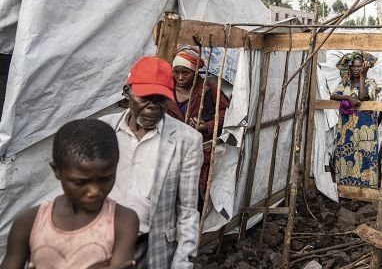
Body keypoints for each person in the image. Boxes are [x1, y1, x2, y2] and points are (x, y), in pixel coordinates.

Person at [101, 56, 203, 269]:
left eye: (161, 100)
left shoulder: (187, 140)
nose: (152, 108)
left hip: (148, 248)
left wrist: (183, 262)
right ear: (127, 91)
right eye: (145, 98)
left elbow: (187, 210)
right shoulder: (103, 130)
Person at [0, 119, 139, 269]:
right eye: (80, 182)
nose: (94, 191)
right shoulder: (29, 222)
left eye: (106, 179)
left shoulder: (123, 221)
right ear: (56, 170)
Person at [166, 45, 229, 207]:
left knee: (192, 195)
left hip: (198, 153)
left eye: (185, 73)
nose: (180, 77)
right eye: (176, 72)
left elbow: (226, 114)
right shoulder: (165, 90)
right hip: (169, 151)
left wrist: (206, 126)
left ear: (195, 73)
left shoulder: (208, 90)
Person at [329, 51, 380, 187]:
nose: (356, 69)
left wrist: (363, 76)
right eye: (354, 67)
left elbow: (363, 97)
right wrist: (348, 97)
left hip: (365, 127)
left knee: (364, 155)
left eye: (359, 67)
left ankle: (366, 187)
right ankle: (346, 186)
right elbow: (333, 95)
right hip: (347, 127)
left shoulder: (370, 82)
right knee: (347, 155)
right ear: (350, 68)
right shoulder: (345, 83)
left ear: (364, 67)